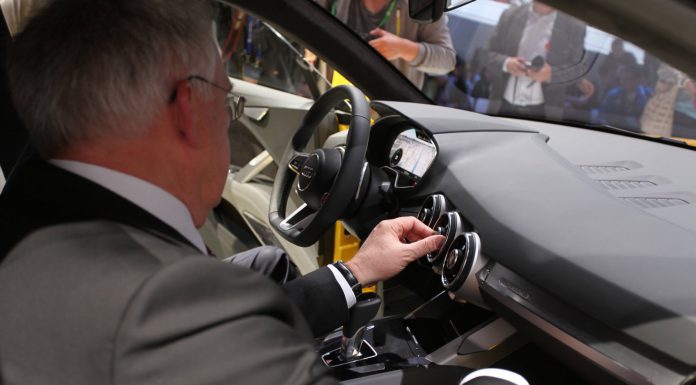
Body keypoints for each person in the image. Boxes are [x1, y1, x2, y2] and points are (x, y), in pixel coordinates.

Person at [0, 1, 446, 384]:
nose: (230, 117)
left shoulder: (36, 194)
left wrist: (357, 269)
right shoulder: (172, 310)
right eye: (228, 100)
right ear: (190, 111)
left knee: (268, 261)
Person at [317, 0, 456, 89]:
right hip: (331, 102)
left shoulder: (422, 5)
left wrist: (402, 48)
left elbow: (447, 60)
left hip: (386, 118)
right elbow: (307, 21)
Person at [485, 1, 588, 121]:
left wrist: (551, 75)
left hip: (545, 111)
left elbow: (580, 67)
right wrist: (506, 63)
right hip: (501, 105)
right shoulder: (510, 14)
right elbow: (486, 55)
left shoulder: (575, 25)